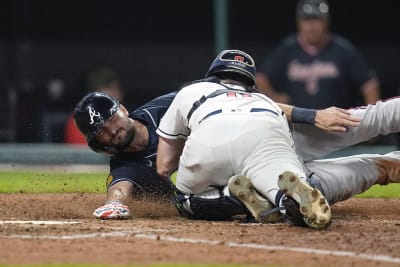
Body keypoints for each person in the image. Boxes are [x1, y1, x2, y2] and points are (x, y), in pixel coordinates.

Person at [156, 49, 400, 229]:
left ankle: (234, 198)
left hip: (210, 139)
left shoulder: (192, 91)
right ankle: (283, 197)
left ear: (211, 76)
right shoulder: (262, 100)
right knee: (283, 182)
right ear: (250, 84)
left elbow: (164, 165)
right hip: (269, 133)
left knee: (186, 199)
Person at [256, 0, 380, 109]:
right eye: (306, 20)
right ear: (298, 22)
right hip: (298, 124)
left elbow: (369, 85)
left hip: (337, 125)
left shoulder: (342, 49)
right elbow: (261, 78)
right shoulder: (288, 48)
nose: (311, 26)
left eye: (316, 20)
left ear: (326, 22)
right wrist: (275, 98)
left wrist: (370, 123)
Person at [73, 90, 177, 219]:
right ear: (97, 143)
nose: (112, 130)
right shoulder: (124, 166)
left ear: (123, 109)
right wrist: (114, 203)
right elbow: (119, 188)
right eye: (101, 131)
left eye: (112, 119)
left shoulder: (163, 108)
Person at [64, 65, 124, 145]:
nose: (118, 94)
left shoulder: (122, 120)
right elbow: (82, 155)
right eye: (111, 89)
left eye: (117, 89)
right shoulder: (79, 122)